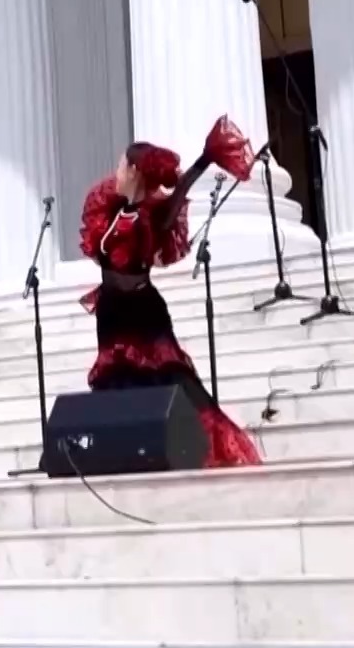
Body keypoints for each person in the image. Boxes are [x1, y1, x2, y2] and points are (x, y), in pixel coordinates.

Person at [76, 113, 263, 468]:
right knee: (116, 381)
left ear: (133, 170)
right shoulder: (111, 208)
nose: (115, 171)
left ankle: (202, 447)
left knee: (170, 378)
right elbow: (101, 247)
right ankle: (125, 450)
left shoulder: (153, 215)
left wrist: (205, 160)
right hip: (112, 310)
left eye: (120, 165)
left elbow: (180, 191)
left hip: (143, 311)